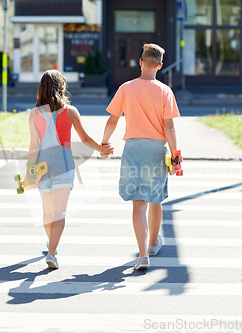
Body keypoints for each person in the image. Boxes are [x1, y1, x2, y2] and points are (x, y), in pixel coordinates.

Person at [100, 44, 180, 270]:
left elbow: (113, 120)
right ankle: (154, 243)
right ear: (160, 66)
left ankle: (142, 255)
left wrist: (104, 143)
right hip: (156, 150)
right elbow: (169, 127)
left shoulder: (126, 88)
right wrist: (175, 155)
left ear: (140, 61)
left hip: (133, 150)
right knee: (155, 199)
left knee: (138, 201)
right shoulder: (165, 91)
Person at [27, 70, 113, 269]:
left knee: (47, 211)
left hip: (42, 168)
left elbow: (34, 147)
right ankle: (51, 252)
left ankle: (52, 245)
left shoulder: (34, 114)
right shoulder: (71, 111)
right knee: (60, 213)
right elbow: (84, 138)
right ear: (61, 87)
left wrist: (29, 174)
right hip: (64, 166)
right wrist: (102, 149)